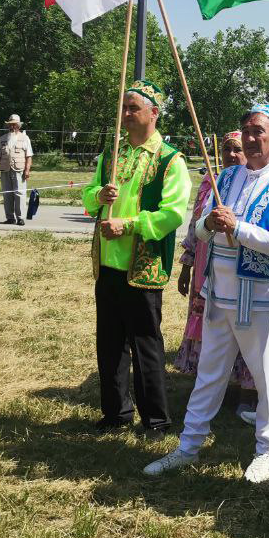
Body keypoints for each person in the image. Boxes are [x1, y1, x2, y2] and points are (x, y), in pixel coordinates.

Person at [145, 103, 269, 483]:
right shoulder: (227, 177)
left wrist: (239, 227)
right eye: (246, 130)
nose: (250, 138)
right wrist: (208, 223)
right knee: (209, 374)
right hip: (218, 294)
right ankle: (188, 446)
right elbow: (200, 231)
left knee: (267, 378)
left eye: (259, 132)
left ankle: (266, 451)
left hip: (261, 299)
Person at [80, 79, 190, 436]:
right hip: (108, 263)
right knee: (109, 343)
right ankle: (115, 414)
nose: (125, 115)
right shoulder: (111, 155)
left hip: (142, 265)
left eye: (133, 109)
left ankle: (156, 420)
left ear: (153, 114)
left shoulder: (170, 160)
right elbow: (86, 198)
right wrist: (100, 194)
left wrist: (127, 226)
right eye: (123, 109)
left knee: (146, 344)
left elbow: (173, 214)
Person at [174, 131, 258, 412]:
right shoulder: (211, 181)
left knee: (242, 327)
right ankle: (211, 389)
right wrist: (186, 264)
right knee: (210, 326)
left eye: (237, 150)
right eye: (227, 150)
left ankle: (247, 392)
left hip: (238, 266)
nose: (232, 155)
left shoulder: (252, 183)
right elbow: (195, 224)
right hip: (204, 264)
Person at [0, 114, 34, 226]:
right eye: (10, 125)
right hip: (5, 169)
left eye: (14, 125)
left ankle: (20, 218)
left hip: (19, 170)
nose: (12, 127)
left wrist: (27, 170)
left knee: (19, 194)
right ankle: (10, 218)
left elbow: (29, 156)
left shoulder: (25, 138)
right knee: (7, 194)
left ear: (18, 126)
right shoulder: (2, 139)